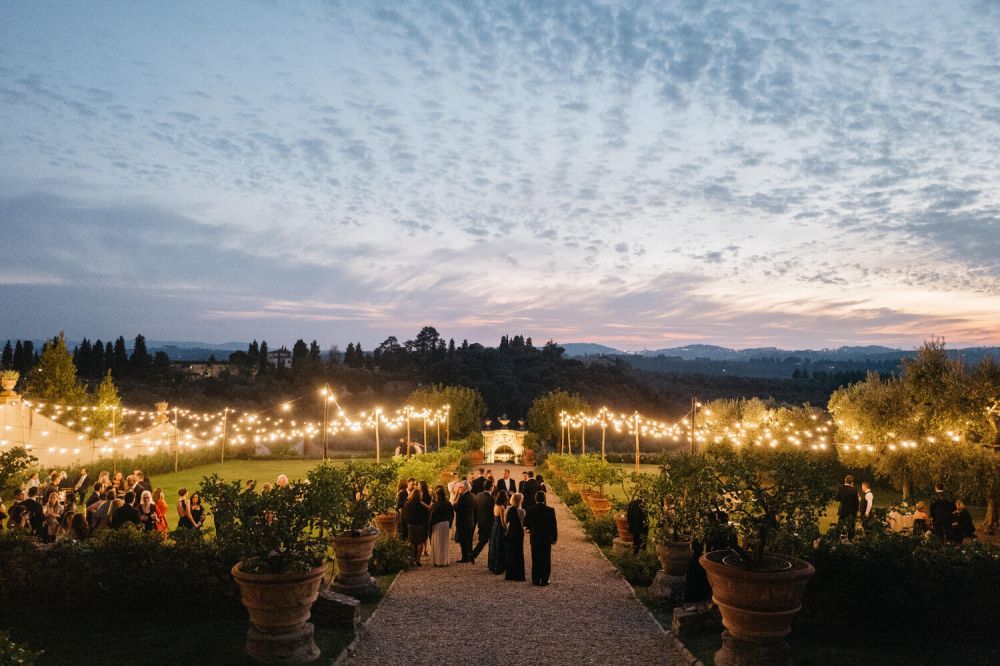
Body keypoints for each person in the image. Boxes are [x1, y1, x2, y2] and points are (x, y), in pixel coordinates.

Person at [524, 491, 558, 586]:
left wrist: (530, 529)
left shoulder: (530, 509)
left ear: (535, 499)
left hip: (535, 538)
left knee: (535, 559)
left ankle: (535, 580)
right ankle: (544, 580)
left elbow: (526, 524)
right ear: (544, 499)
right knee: (546, 559)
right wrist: (554, 538)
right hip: (546, 539)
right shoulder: (550, 510)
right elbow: (553, 526)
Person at [428, 486, 454, 567]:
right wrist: (449, 523)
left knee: (438, 543)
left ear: (437, 495)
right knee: (444, 543)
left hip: (437, 525)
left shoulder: (435, 505)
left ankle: (438, 561)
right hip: (446, 524)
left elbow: (432, 516)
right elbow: (452, 514)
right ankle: (445, 561)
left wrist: (430, 527)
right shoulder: (448, 503)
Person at [403, 488, 429, 565]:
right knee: (420, 543)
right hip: (420, 525)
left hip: (410, 525)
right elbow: (426, 513)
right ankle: (418, 560)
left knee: (412, 542)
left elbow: (404, 514)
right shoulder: (421, 504)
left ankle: (411, 559)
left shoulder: (407, 503)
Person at [472, 478, 495, 562]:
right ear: (492, 487)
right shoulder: (491, 498)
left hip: (481, 522)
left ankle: (473, 555)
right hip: (489, 523)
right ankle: (491, 561)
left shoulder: (479, 495)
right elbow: (493, 512)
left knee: (483, 540)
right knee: (492, 543)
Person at [504, 492, 526, 581]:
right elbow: (523, 523)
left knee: (510, 552)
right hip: (518, 533)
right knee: (518, 553)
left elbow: (506, 520)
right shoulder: (521, 511)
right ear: (519, 501)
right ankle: (518, 575)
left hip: (511, 531)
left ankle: (509, 575)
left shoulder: (508, 509)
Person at [454, 480, 477, 563]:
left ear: (465, 487)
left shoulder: (462, 497)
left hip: (462, 522)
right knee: (469, 539)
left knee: (463, 540)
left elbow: (456, 508)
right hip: (470, 520)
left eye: (460, 487)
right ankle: (470, 555)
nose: (459, 488)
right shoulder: (473, 496)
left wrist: (456, 499)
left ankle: (465, 557)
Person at [488, 490, 509, 574]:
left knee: (494, 545)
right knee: (500, 546)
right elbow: (503, 522)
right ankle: (499, 566)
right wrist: (507, 529)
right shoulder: (502, 507)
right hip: (500, 527)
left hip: (495, 526)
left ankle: (492, 565)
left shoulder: (495, 505)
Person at [836, 475, 859, 539]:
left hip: (842, 511)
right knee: (851, 528)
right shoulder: (854, 490)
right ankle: (850, 540)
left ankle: (839, 539)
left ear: (845, 480)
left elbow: (837, 499)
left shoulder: (840, 489)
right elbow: (857, 503)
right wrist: (856, 511)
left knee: (840, 526)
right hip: (851, 512)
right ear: (851, 482)